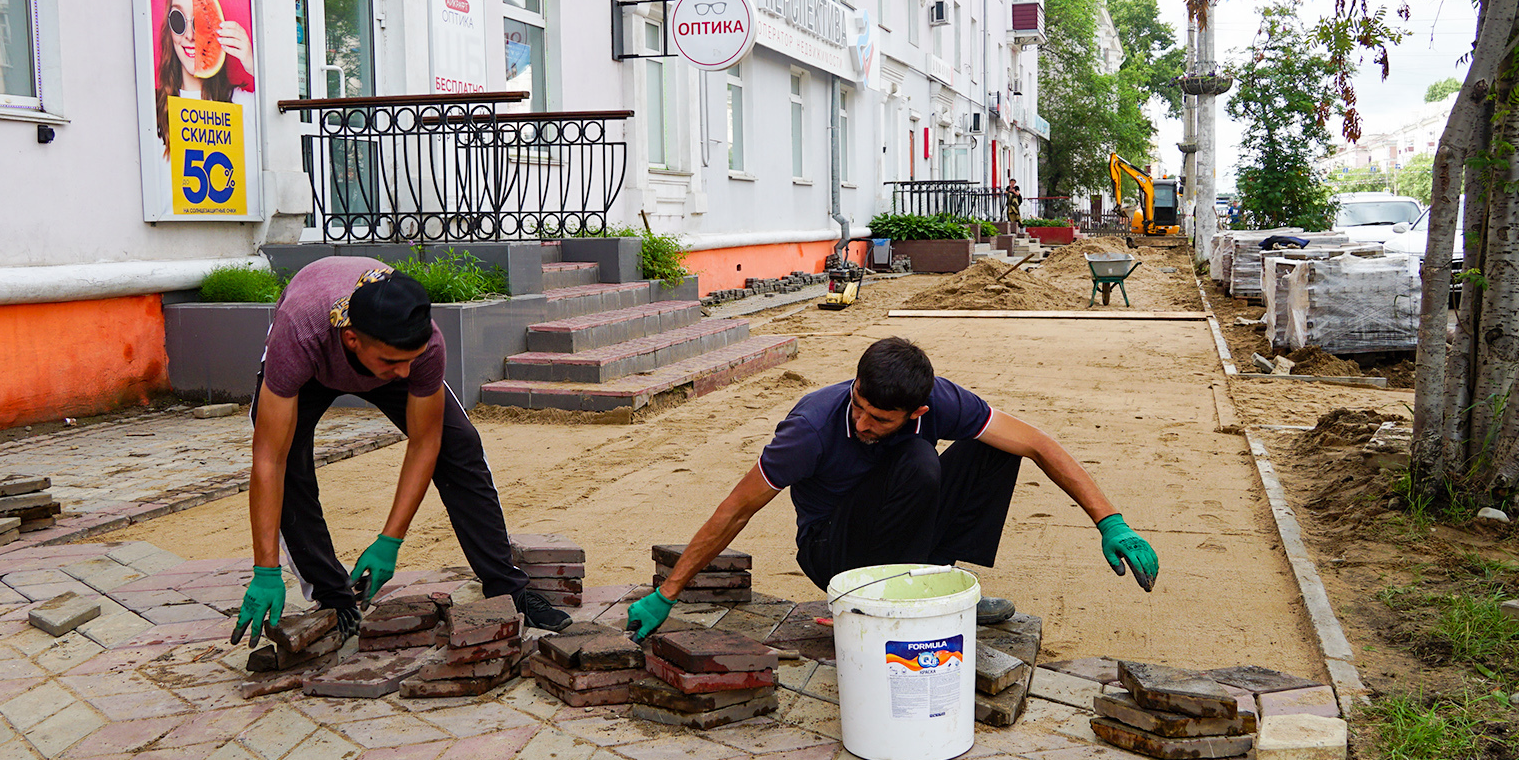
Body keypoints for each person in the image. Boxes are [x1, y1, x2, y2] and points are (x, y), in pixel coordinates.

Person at [626, 337, 1159, 638]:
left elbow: (1038, 442)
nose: (861, 423)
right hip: (831, 548)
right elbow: (736, 509)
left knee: (993, 448)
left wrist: (1110, 522)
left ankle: (932, 585)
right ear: (854, 385)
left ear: (917, 410)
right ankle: (889, 605)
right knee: (918, 463)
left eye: (880, 418)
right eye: (858, 405)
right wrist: (667, 593)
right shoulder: (810, 428)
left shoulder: (943, 402)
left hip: (898, 523)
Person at [232, 257, 572, 646]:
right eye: (396, 361)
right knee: (288, 459)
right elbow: (268, 461)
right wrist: (265, 570)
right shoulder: (298, 334)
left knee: (459, 445)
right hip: (312, 363)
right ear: (352, 340)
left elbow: (425, 443)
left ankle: (507, 588)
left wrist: (390, 541)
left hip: (379, 349)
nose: (407, 373)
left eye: (413, 360)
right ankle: (334, 595)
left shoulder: (420, 348)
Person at [153, 0, 255, 156]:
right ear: (168, 28)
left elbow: (283, 116)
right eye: (178, 19)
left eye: (201, 21)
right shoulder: (152, 108)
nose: (190, 35)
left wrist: (252, 64)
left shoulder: (242, 105)